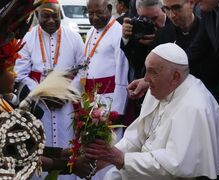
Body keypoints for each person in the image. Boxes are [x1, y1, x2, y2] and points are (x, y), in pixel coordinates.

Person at [84, 43, 219, 180]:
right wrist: (105, 157)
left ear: (175, 77)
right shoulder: (160, 88)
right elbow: (137, 136)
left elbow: (176, 165)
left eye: (152, 72)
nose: (145, 79)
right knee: (112, 176)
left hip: (183, 177)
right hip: (151, 167)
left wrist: (122, 159)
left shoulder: (193, 106)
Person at [14, 0, 85, 179]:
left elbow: (84, 69)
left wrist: (66, 92)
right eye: (46, 16)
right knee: (40, 144)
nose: (51, 20)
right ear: (37, 16)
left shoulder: (74, 37)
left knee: (67, 144)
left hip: (66, 104)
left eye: (55, 15)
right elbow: (20, 74)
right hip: (39, 105)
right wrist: (42, 93)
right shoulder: (28, 38)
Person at [75, 0, 129, 178]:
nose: (94, 18)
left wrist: (117, 111)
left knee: (108, 147)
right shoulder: (91, 31)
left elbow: (122, 74)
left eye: (98, 13)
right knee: (91, 147)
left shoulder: (118, 31)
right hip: (91, 100)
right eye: (90, 14)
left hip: (110, 101)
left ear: (109, 9)